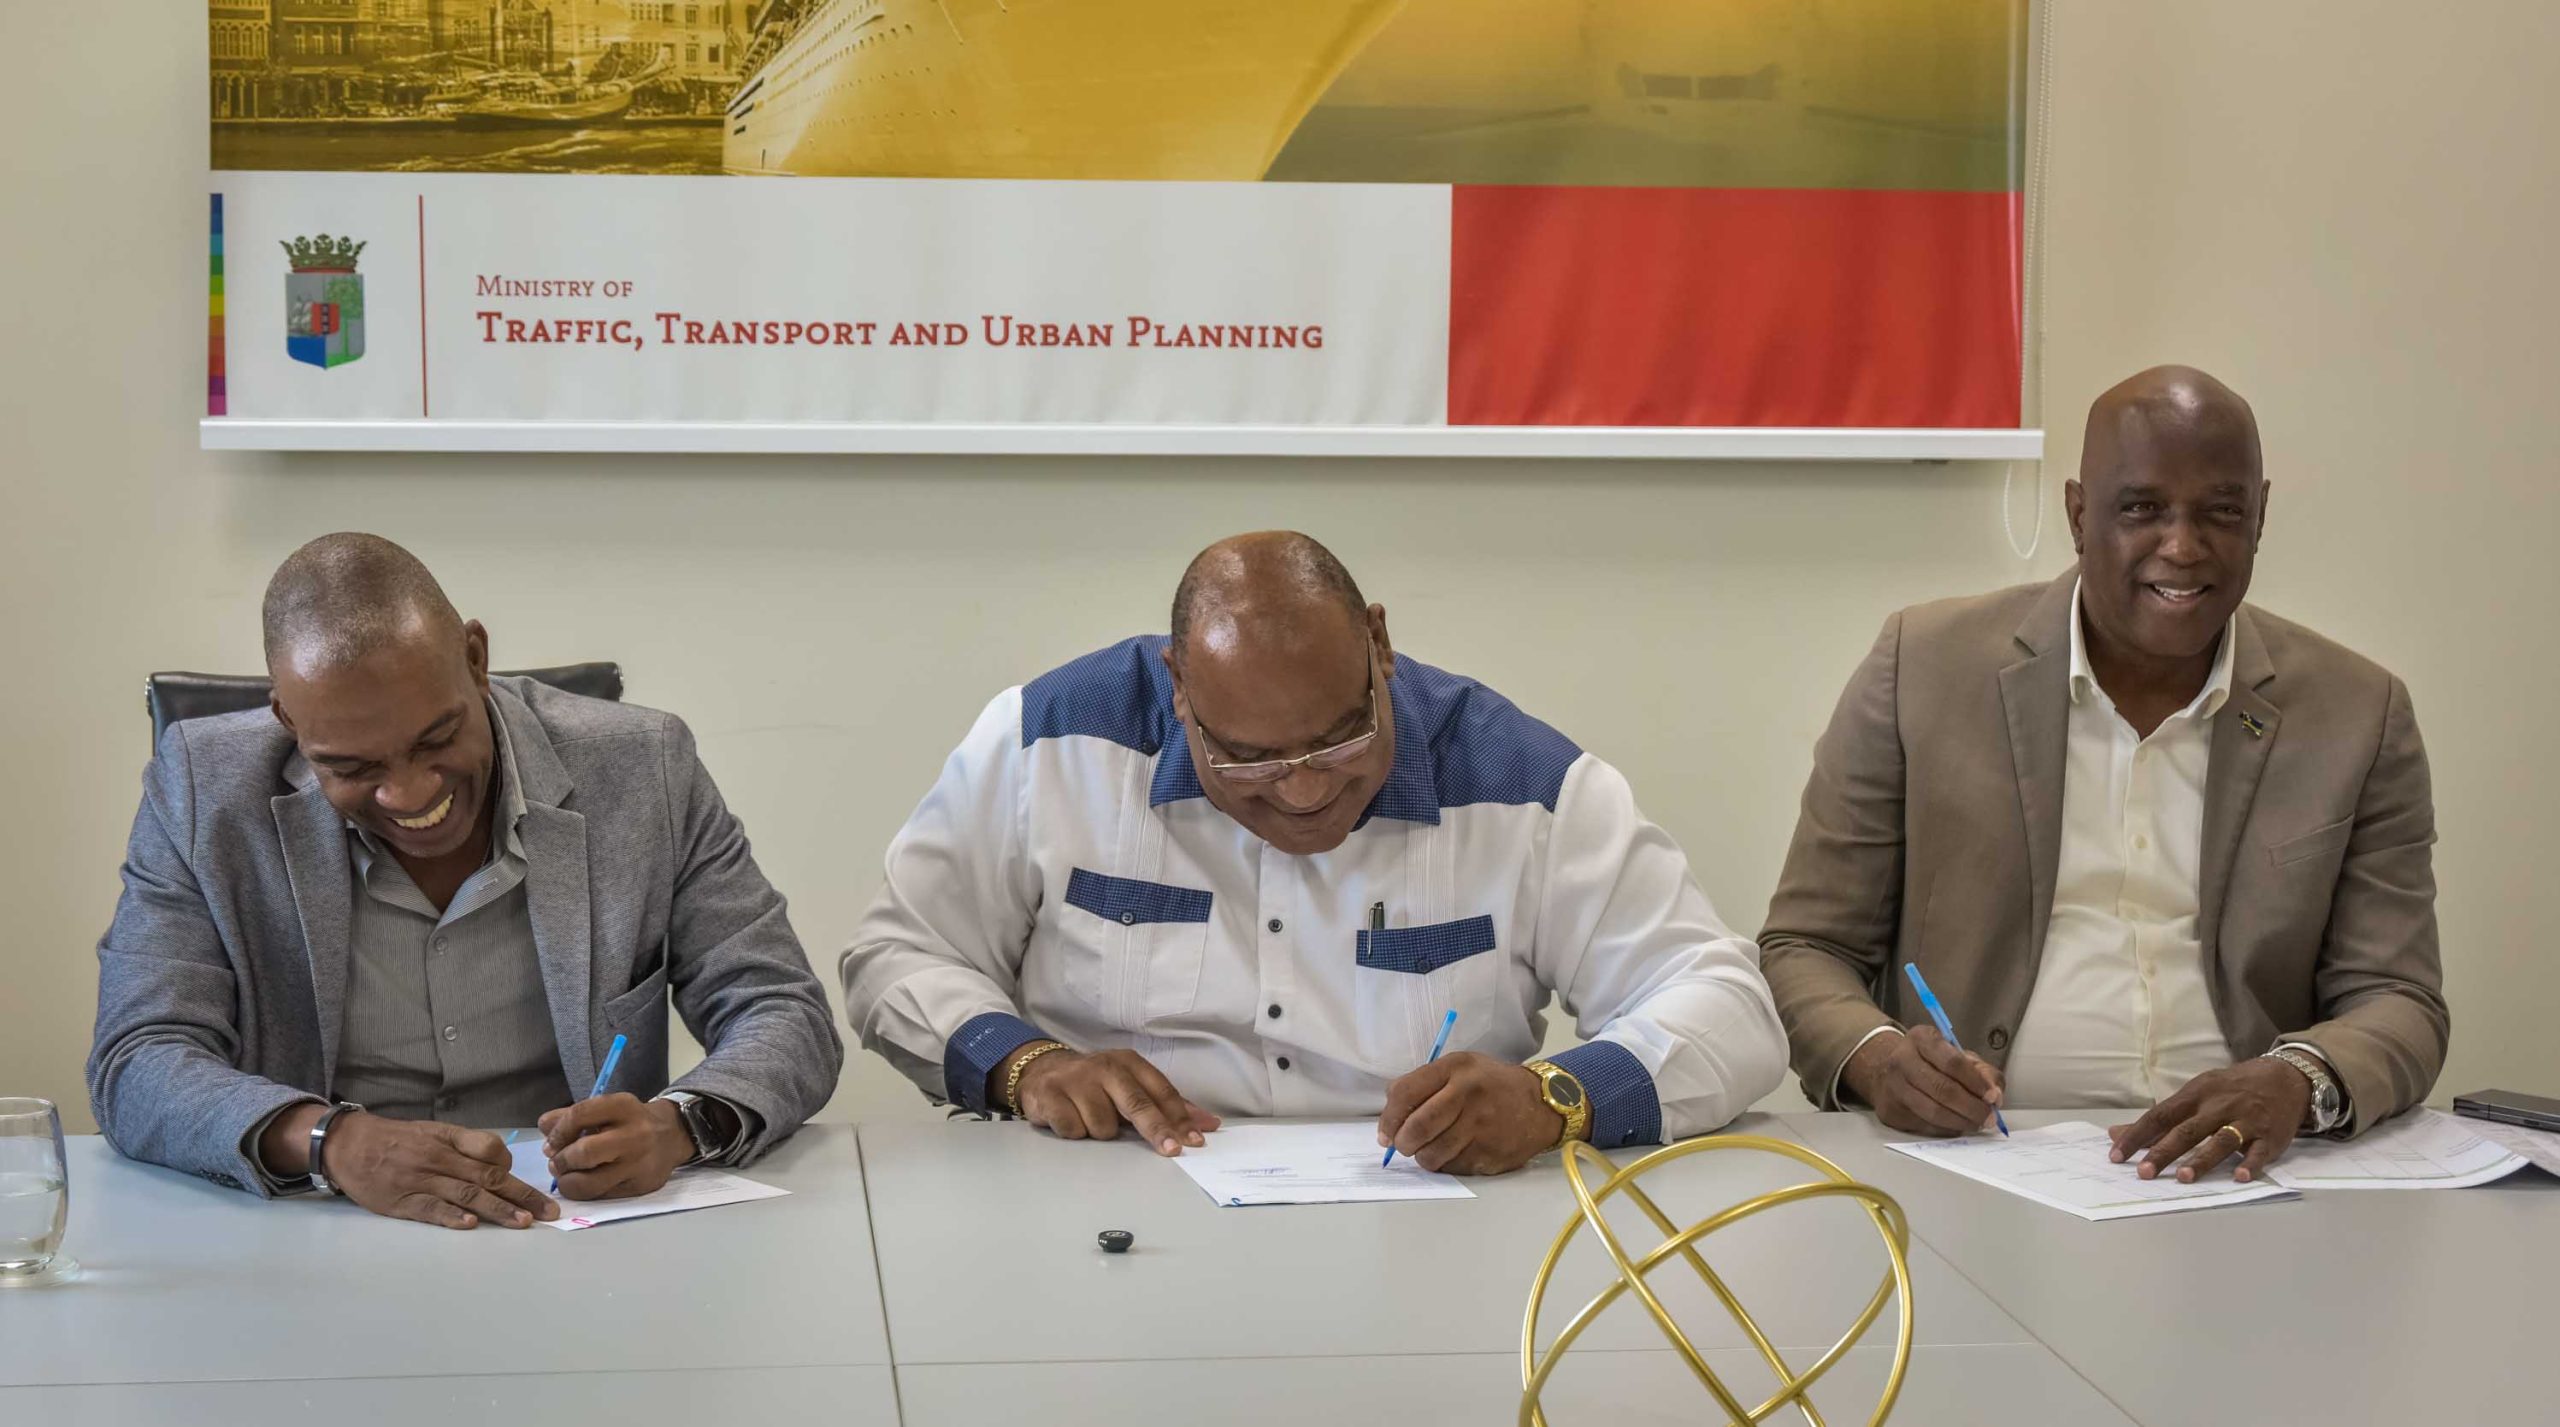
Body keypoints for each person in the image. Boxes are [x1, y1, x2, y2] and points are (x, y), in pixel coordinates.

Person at [842, 531, 1785, 1175]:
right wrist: (1026, 1064)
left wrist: (1558, 1098)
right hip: (1100, 1205)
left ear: (1380, 644)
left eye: (1340, 740)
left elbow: (1729, 1006)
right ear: (1179, 688)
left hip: (1432, 1226)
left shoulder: (1521, 781)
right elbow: (899, 954)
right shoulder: (1049, 740)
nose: (1301, 790)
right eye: (1248, 759)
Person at [1761, 366, 2446, 1183]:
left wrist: (2299, 1078)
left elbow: (2400, 998)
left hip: (2241, 1174)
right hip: (1983, 1159)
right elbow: (1806, 945)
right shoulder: (1921, 668)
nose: (2183, 546)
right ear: (2080, 515)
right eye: (2142, 509)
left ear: (2260, 516)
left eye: (2222, 511)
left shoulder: (2358, 712)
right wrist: (1879, 1059)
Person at [89, 534, 842, 1228]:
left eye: (438, 737)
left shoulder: (644, 768)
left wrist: (680, 1124)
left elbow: (781, 1008)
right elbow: (139, 1058)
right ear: (287, 718)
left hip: (571, 1232)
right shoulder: (201, 788)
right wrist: (330, 1141)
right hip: (316, 1226)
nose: (410, 793)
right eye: (353, 767)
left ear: (477, 658)